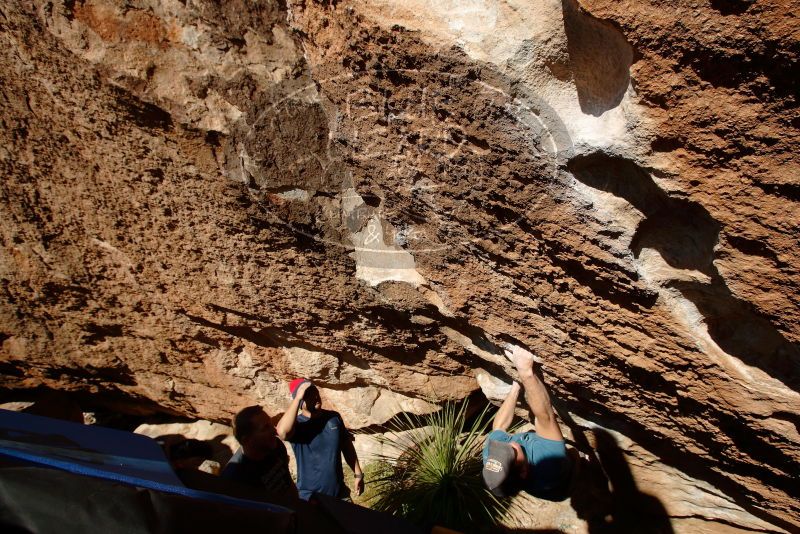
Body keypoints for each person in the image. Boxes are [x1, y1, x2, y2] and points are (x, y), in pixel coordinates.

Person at [482, 345, 572, 500]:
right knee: (573, 456)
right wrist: (525, 372)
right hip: (559, 481)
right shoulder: (549, 462)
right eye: (511, 453)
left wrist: (515, 388)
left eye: (498, 450)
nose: (506, 445)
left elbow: (499, 427)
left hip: (532, 479)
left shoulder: (493, 459)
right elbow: (546, 417)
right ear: (523, 471)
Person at [276, 379, 364, 501]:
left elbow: (346, 445)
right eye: (308, 394)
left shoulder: (333, 418)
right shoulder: (298, 426)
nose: (315, 396)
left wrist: (358, 473)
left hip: (340, 494)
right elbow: (281, 432)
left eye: (315, 391)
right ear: (301, 401)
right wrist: (297, 398)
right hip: (311, 498)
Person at [221, 405, 298, 498]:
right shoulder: (235, 477)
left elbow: (288, 482)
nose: (274, 431)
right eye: (266, 428)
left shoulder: (276, 447)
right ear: (246, 440)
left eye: (271, 425)